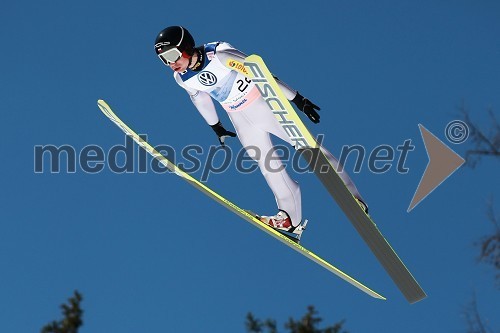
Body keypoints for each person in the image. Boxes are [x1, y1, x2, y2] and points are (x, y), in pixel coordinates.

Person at [154, 26, 367, 241]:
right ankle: (289, 219)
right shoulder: (181, 78)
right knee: (269, 167)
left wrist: (297, 99)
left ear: (186, 47)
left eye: (171, 55)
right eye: (164, 59)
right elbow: (199, 98)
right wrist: (216, 126)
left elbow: (260, 73)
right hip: (239, 118)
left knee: (310, 149)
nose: (171, 63)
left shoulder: (220, 54)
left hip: (264, 105)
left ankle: (352, 197)